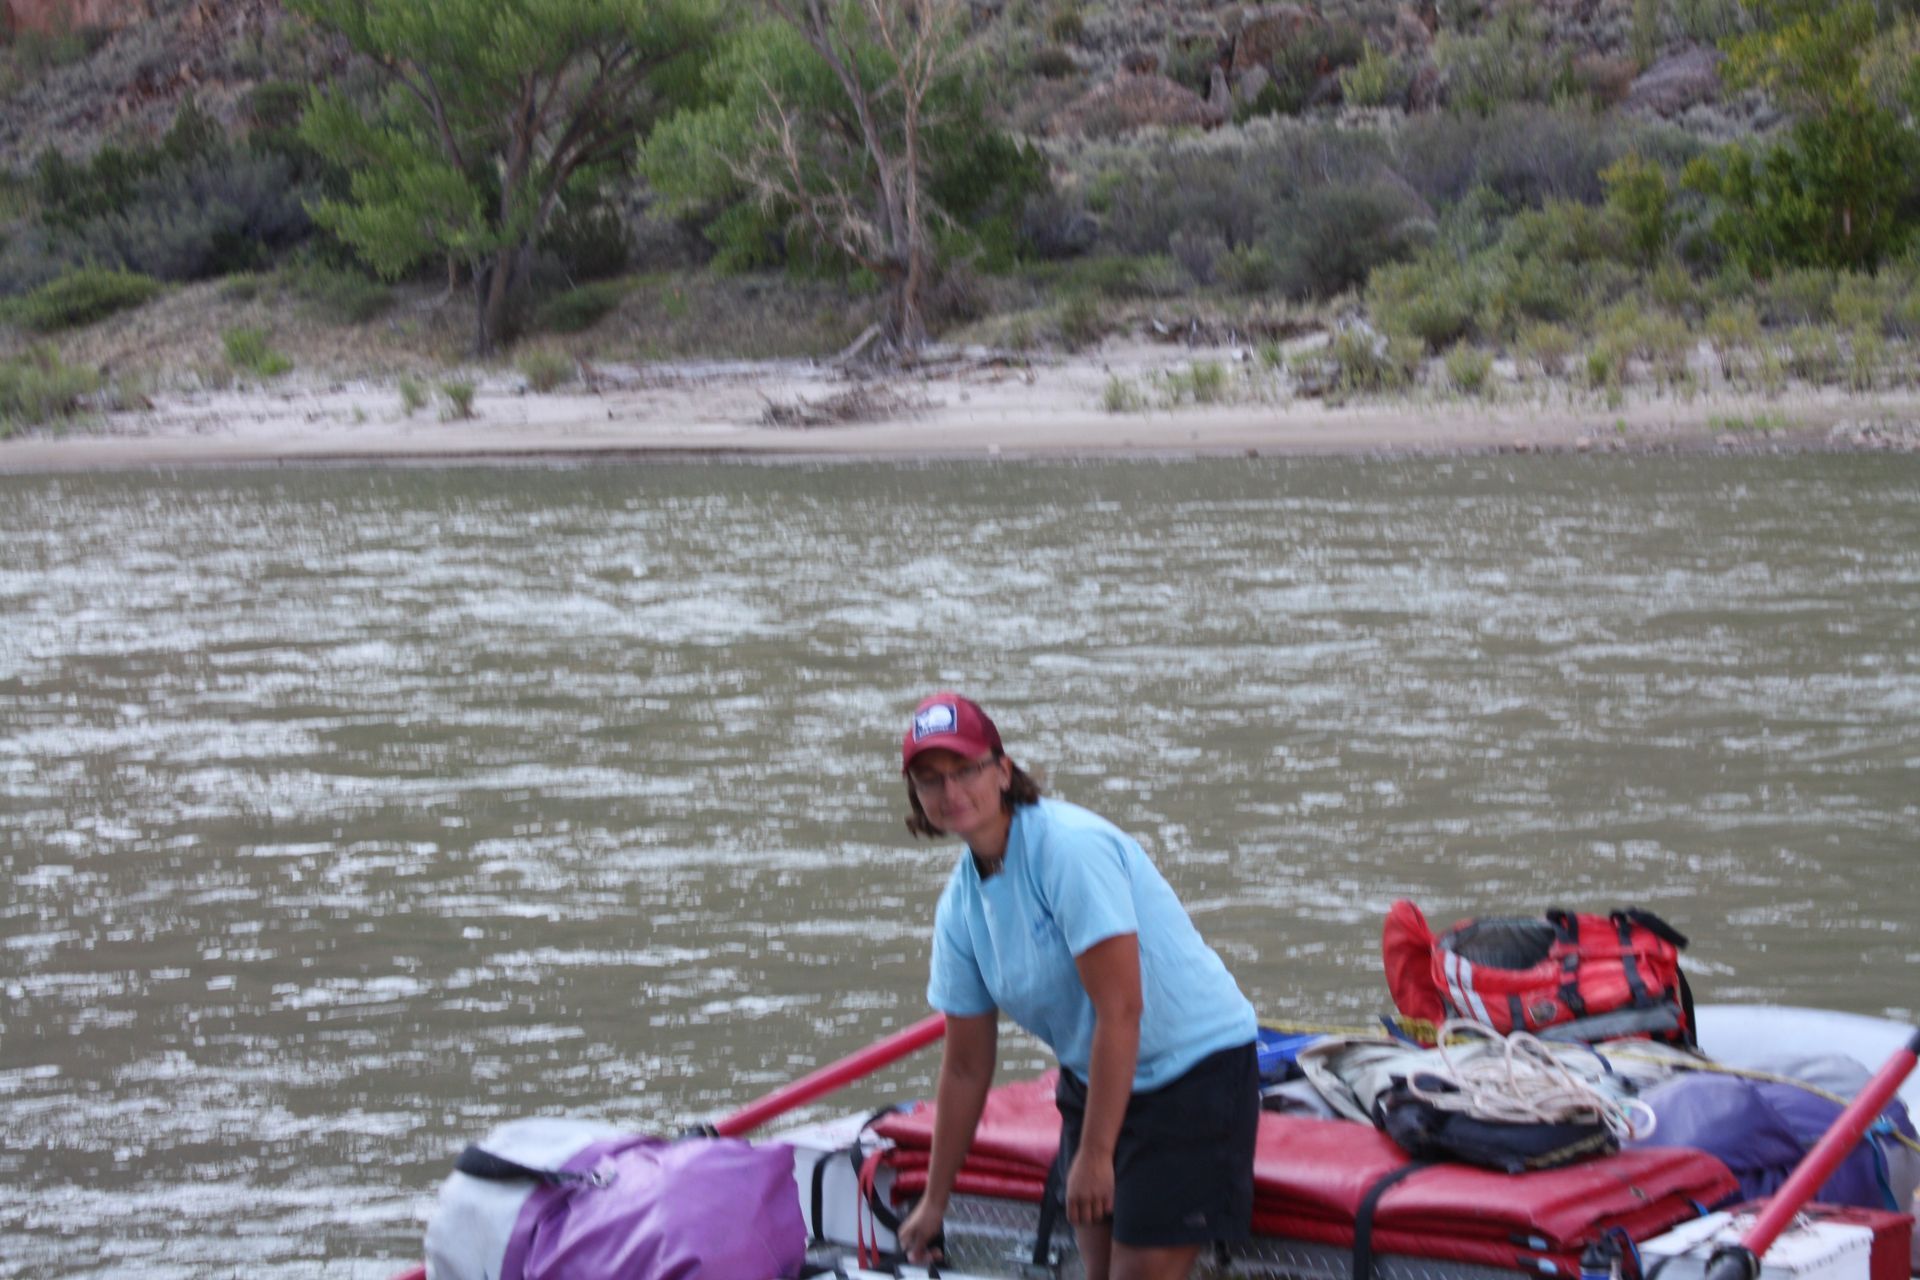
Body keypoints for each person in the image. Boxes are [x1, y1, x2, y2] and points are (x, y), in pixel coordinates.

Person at [892, 692, 1260, 1280]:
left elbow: (1122, 1010)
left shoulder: (1068, 849)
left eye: (966, 769)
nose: (950, 791)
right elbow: (964, 1068)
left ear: (1003, 771)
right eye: (930, 779)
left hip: (1193, 1075)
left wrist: (1094, 1155)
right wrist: (936, 1201)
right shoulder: (960, 906)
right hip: (1096, 1081)